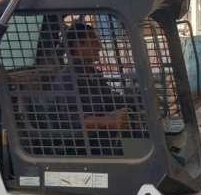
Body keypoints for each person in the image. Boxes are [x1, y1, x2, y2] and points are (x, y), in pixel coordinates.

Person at [52, 21, 141, 155]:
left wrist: (141, 101)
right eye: (94, 42)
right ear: (78, 45)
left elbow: (111, 100)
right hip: (85, 148)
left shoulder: (90, 73)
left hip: (101, 140)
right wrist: (111, 121)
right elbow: (76, 123)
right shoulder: (67, 79)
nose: (99, 47)